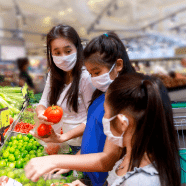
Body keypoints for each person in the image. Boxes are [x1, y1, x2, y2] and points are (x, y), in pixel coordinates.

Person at [26, 32, 136, 186]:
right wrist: (71, 160)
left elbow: (110, 159)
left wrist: (56, 161)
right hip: (93, 176)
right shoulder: (102, 95)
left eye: (97, 72)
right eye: (91, 73)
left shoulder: (124, 101)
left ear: (118, 65)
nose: (93, 79)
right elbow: (92, 132)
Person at [34, 24, 95, 155]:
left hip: (82, 145)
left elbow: (92, 119)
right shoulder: (53, 75)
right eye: (57, 53)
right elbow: (43, 102)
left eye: (68, 51)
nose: (63, 57)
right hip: (62, 139)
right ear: (51, 54)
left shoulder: (86, 77)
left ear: (77, 49)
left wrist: (62, 138)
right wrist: (41, 114)